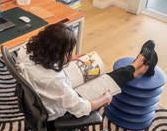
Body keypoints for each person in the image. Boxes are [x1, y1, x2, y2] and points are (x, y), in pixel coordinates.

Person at [15, 22, 158, 121]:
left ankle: (136, 67)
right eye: (66, 53)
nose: (68, 55)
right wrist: (104, 99)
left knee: (100, 77)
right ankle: (138, 67)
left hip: (39, 100)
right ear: (57, 54)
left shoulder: (26, 49)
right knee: (105, 80)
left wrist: (68, 59)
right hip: (56, 112)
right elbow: (81, 108)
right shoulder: (54, 80)